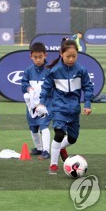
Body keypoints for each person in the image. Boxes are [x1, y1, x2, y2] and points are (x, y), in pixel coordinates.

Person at [36, 39, 94, 174]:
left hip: (74, 110)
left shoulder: (81, 70)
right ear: (61, 54)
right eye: (68, 56)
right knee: (59, 133)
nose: (71, 59)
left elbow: (88, 87)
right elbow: (46, 88)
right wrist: (41, 102)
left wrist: (87, 104)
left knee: (73, 138)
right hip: (59, 108)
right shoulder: (55, 71)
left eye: (74, 56)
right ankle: (53, 165)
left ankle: (60, 148)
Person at [21, 42, 51, 159]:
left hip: (45, 103)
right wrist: (28, 87)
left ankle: (46, 150)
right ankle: (39, 148)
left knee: (43, 125)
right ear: (31, 57)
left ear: (45, 55)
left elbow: (52, 87)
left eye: (40, 57)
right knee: (33, 126)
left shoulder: (49, 71)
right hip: (31, 105)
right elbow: (23, 84)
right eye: (35, 57)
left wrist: (44, 102)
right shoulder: (28, 71)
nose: (38, 60)